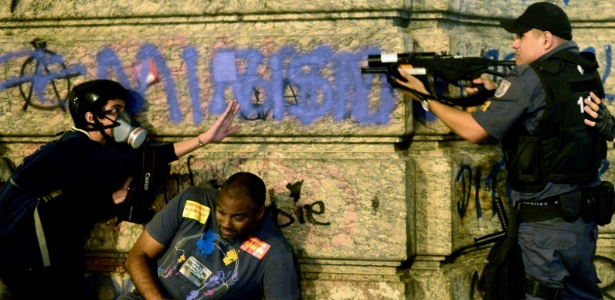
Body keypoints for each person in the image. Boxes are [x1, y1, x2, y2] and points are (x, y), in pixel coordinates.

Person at [396, 2, 605, 299]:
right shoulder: (584, 70)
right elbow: (550, 123)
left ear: (545, 39)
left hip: (545, 225)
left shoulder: (529, 78)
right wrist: (497, 96)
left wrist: (426, 98)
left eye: (521, 36)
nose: (514, 43)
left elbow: (474, 131)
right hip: (582, 223)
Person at [0, 79, 240, 299]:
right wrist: (204, 139)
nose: (123, 118)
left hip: (31, 254)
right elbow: (144, 158)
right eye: (115, 111)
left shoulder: (77, 147)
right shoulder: (76, 149)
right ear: (91, 117)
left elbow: (72, 199)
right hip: (27, 255)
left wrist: (108, 201)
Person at [120, 172, 301, 300]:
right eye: (221, 212)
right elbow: (136, 257)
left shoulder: (274, 251)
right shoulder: (193, 200)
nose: (226, 223)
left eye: (238, 218)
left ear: (260, 212)